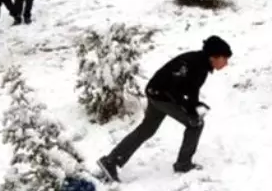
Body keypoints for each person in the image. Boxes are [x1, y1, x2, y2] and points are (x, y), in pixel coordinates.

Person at [98, 36, 232, 181]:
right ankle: (183, 164)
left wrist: (195, 106)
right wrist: (191, 111)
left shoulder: (201, 66)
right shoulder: (190, 63)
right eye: (224, 59)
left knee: (147, 129)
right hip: (161, 94)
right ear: (214, 57)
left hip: (157, 93)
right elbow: (172, 89)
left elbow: (192, 90)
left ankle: (111, 161)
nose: (226, 63)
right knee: (195, 124)